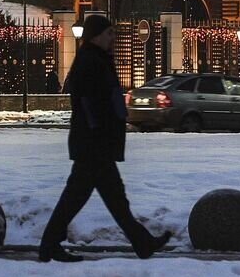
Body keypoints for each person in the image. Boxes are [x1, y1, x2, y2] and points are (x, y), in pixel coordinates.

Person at [39, 15, 171, 263]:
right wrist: (101, 131)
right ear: (97, 35)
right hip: (94, 143)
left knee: (110, 197)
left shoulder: (95, 59)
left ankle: (143, 243)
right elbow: (90, 103)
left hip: (95, 142)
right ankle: (49, 246)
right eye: (109, 33)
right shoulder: (91, 61)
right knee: (83, 198)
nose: (113, 38)